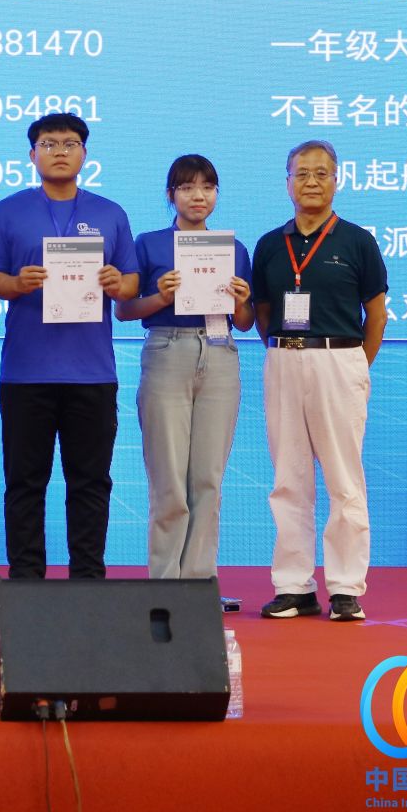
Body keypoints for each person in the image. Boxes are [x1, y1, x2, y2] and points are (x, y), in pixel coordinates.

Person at [0, 112, 138, 580]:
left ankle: (87, 580)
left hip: (91, 373)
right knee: (24, 483)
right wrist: (17, 283)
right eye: (48, 144)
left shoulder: (110, 213)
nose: (59, 151)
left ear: (84, 154)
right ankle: (25, 581)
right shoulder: (7, 211)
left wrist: (116, 283)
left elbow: (131, 283)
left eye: (69, 143)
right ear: (32, 154)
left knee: (90, 483)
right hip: (25, 372)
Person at [252, 139, 388, 623]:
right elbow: (263, 312)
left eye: (321, 173)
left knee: (344, 479)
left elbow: (376, 314)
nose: (311, 181)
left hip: (340, 360)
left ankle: (346, 588)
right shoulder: (270, 244)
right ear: (287, 182)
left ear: (337, 180)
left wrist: (355, 365)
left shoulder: (357, 241)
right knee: (288, 479)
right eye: (302, 173)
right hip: (284, 359)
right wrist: (288, 351)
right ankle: (294, 586)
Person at [118, 155, 254, 609]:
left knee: (208, 478)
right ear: (170, 194)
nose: (199, 196)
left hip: (219, 353)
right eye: (188, 187)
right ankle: (164, 584)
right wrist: (161, 296)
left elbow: (245, 323)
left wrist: (241, 301)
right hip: (167, 350)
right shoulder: (149, 244)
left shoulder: (233, 249)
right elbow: (124, 310)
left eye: (208, 187)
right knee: (169, 478)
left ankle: (198, 585)